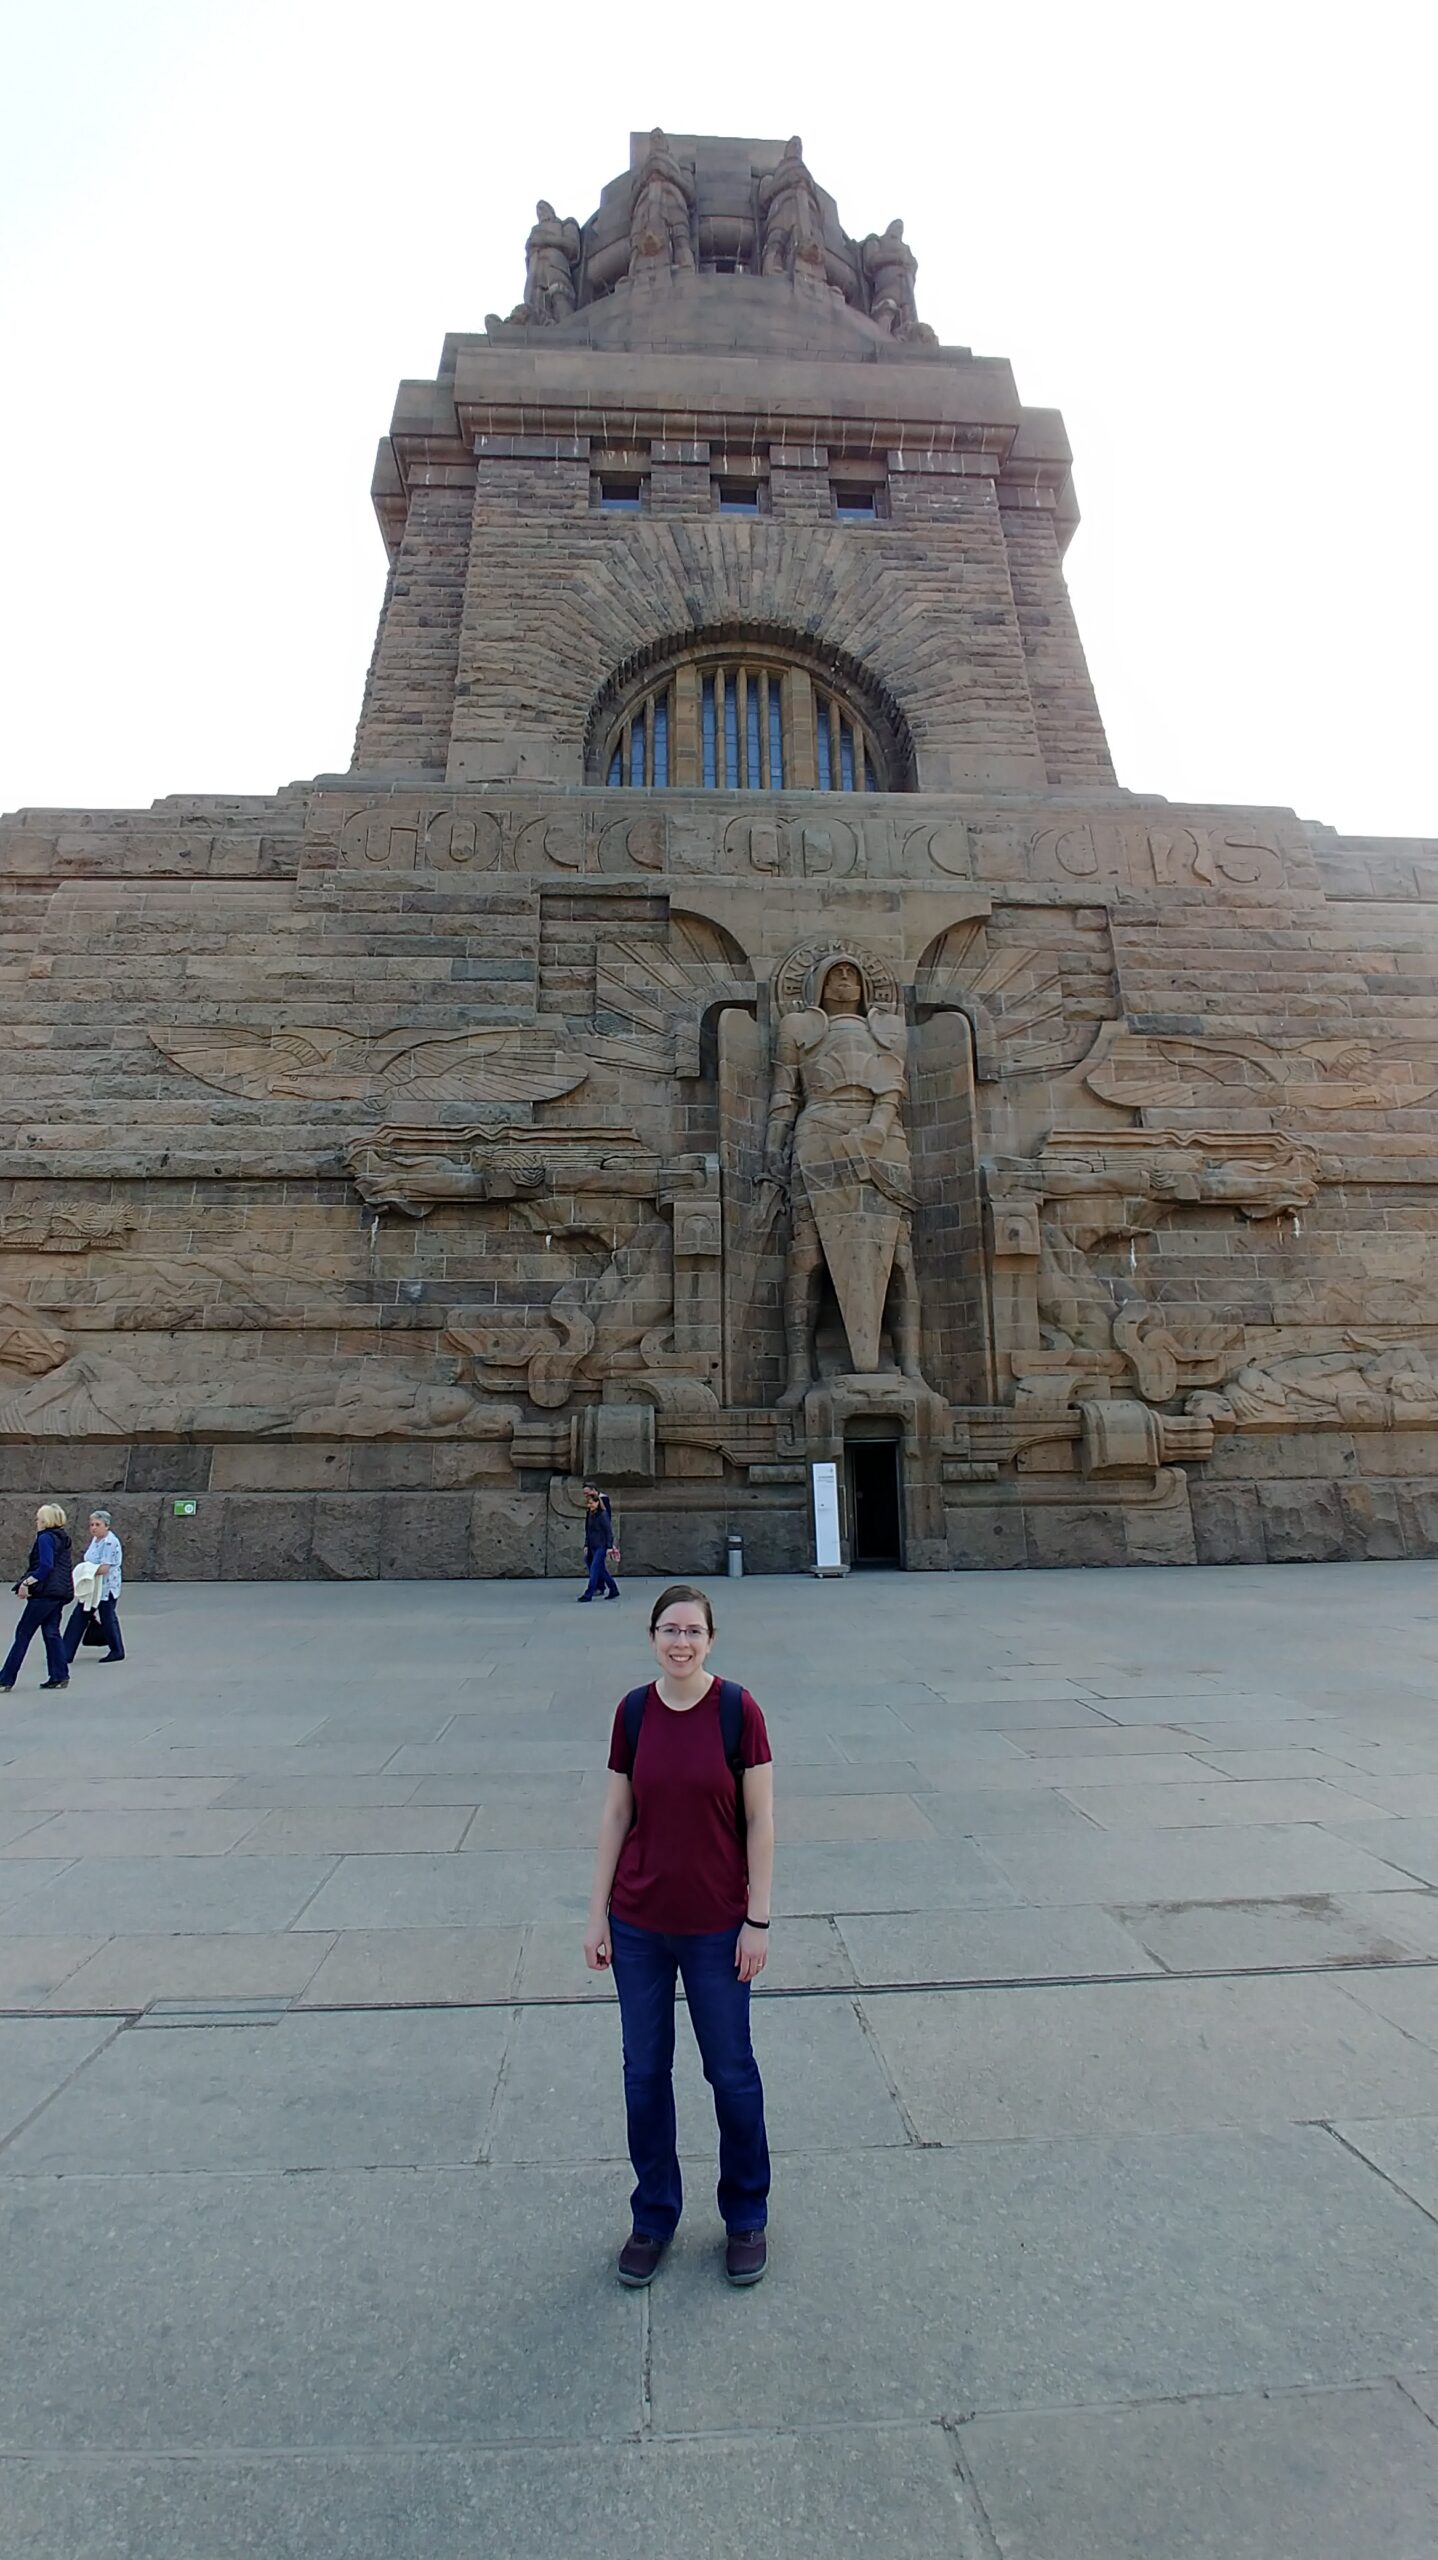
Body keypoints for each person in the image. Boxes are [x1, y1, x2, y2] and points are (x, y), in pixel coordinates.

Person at [584, 1583, 775, 2288]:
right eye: (670, 1630)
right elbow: (616, 1815)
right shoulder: (634, 1712)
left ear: (711, 1640)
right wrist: (597, 1913)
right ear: (652, 1637)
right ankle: (654, 2217)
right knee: (643, 2075)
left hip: (717, 1926)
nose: (681, 1642)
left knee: (730, 2071)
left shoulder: (737, 1711)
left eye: (693, 1631)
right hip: (638, 1924)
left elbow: (761, 1820)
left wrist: (758, 1920)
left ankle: (746, 2215)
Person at [0, 1503, 74, 1692]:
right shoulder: (62, 1538)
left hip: (45, 1593)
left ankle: (5, 1679)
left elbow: (45, 1566)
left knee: (23, 1633)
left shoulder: (45, 1538)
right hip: (59, 1591)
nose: (37, 1521)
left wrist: (27, 1583)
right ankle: (59, 1675)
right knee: (51, 1632)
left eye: (39, 1518)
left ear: (45, 1520)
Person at [62, 1509, 125, 1665]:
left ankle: (117, 1650)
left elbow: (104, 1568)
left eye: (98, 1524)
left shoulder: (110, 1542)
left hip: (106, 1587)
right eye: (92, 1525)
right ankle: (65, 1653)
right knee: (79, 1617)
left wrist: (84, 1571)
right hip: (92, 1587)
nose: (94, 1528)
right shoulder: (96, 1540)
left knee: (107, 1618)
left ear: (106, 1526)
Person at [578, 1485, 619, 1602]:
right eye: (588, 1503)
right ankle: (613, 1589)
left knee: (595, 1569)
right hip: (592, 1545)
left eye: (591, 1503)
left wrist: (609, 1546)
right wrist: (586, 1544)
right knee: (600, 1569)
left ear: (597, 1503)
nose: (589, 1505)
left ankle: (588, 1594)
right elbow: (588, 1531)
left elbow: (608, 1531)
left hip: (601, 1546)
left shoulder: (602, 1515)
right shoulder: (591, 1514)